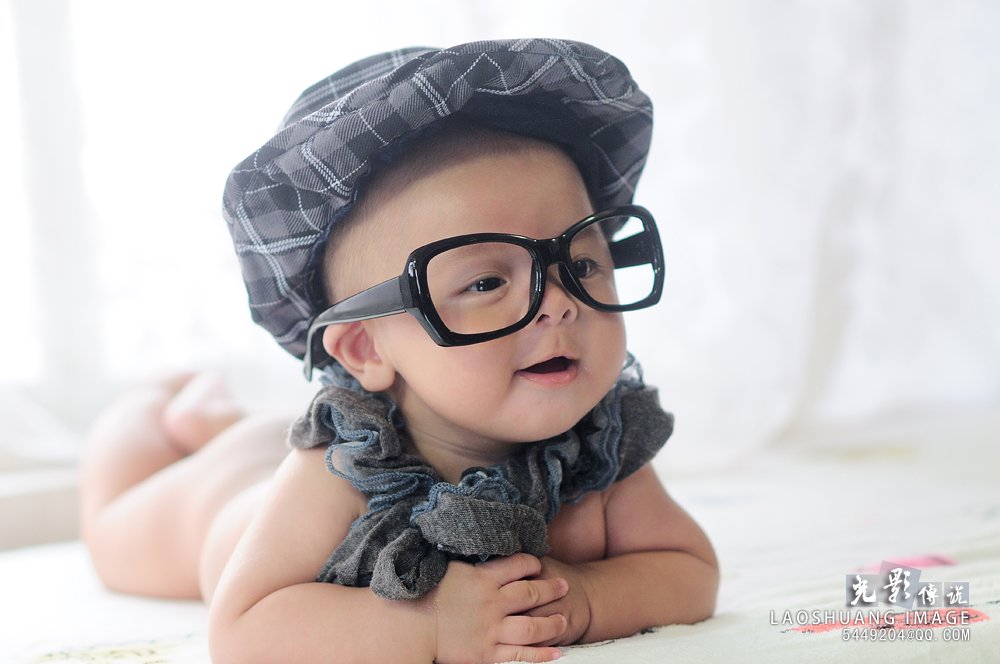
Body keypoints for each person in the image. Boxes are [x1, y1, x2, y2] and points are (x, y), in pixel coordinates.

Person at [80, 39, 718, 664]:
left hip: (272, 445)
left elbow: (689, 570)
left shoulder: (599, 449)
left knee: (246, 434)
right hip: (225, 501)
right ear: (365, 347)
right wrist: (433, 623)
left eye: (582, 263)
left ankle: (217, 420)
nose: (559, 303)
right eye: (487, 282)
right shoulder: (337, 473)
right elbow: (243, 629)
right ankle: (155, 406)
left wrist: (588, 597)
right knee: (115, 531)